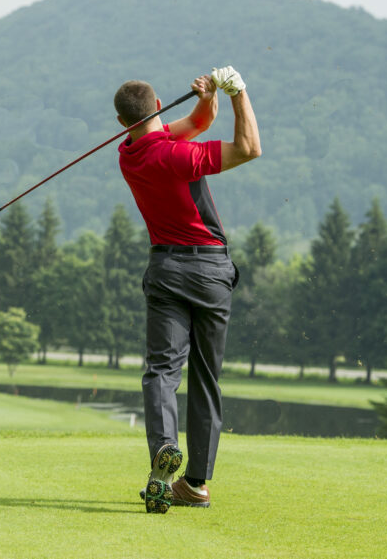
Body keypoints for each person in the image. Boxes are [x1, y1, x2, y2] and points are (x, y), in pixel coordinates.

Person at [114, 66, 260, 514]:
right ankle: (195, 483)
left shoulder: (128, 154)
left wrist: (206, 98)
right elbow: (250, 148)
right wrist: (238, 94)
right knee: (205, 377)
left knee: (162, 370)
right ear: (158, 105)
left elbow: (197, 124)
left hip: (166, 269)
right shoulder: (180, 158)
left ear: (124, 124)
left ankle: (163, 447)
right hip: (211, 271)